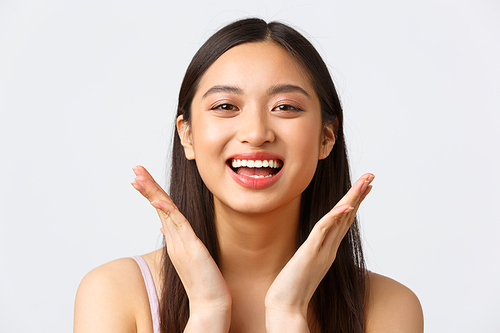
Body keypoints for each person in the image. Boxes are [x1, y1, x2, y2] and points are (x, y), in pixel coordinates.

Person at [74, 18, 423, 333]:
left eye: (285, 107)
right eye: (226, 106)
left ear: (326, 138)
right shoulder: (115, 293)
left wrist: (288, 314)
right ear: (187, 135)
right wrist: (207, 313)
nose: (256, 133)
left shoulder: (388, 308)